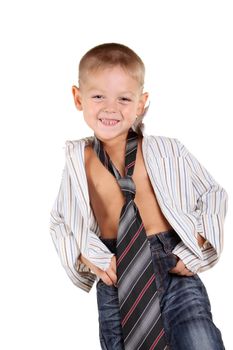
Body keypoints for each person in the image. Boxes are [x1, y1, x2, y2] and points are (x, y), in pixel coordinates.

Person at [49, 43, 228, 349]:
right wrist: (91, 258)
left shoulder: (168, 150)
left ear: (141, 103)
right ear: (78, 98)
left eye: (124, 98)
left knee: (200, 339)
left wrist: (197, 240)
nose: (110, 108)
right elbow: (62, 222)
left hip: (172, 261)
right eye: (98, 96)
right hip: (119, 269)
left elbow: (213, 193)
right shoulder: (80, 161)